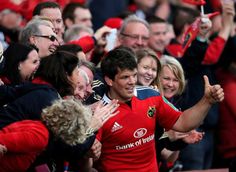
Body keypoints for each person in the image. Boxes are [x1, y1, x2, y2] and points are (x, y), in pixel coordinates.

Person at [91, 47, 223, 171]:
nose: (132, 81)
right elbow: (88, 161)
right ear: (109, 80)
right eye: (125, 77)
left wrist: (207, 101)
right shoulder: (99, 113)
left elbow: (183, 122)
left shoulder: (151, 95)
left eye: (134, 75)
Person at [0, 51, 118, 171]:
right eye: (77, 72)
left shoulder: (44, 92)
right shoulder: (48, 100)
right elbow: (69, 147)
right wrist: (91, 126)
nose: (78, 78)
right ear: (66, 75)